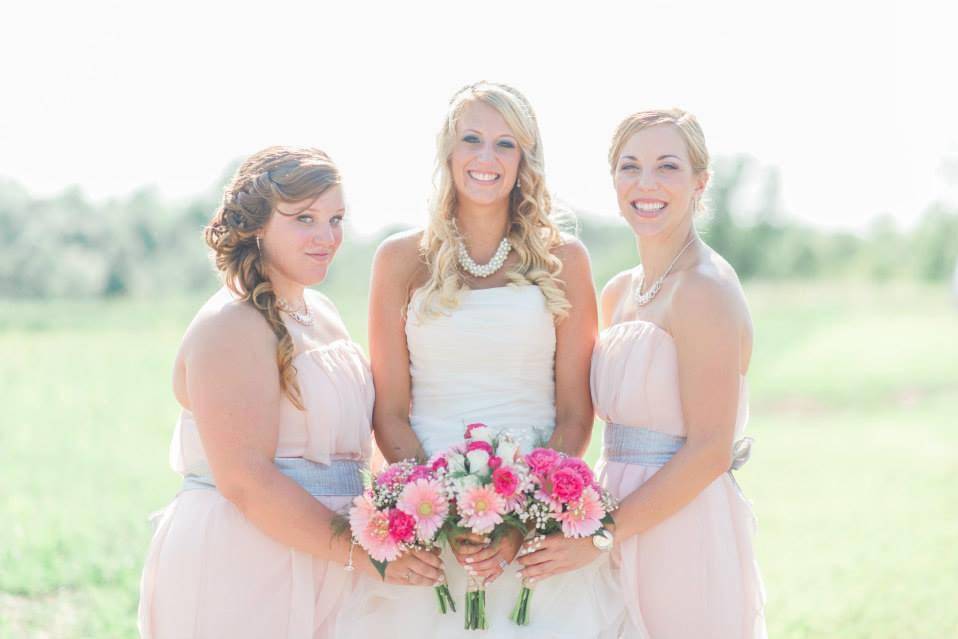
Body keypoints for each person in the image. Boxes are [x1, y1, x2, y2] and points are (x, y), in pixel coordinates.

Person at [340, 82, 620, 637]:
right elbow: (389, 411)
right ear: (448, 151)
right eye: (471, 139)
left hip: (532, 521)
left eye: (505, 144)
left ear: (525, 160)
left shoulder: (565, 259)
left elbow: (574, 415)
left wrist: (519, 518)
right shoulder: (399, 260)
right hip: (425, 515)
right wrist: (438, 509)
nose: (486, 158)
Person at [137, 147, 442, 639]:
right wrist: (360, 554)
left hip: (331, 560)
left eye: (336, 219)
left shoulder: (320, 311)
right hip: (249, 561)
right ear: (258, 225)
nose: (327, 237)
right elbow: (245, 481)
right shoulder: (231, 324)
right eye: (305, 218)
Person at [517, 109, 767, 638]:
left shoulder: (705, 289)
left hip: (681, 525)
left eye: (667, 167)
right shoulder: (617, 292)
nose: (646, 184)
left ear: (700, 182)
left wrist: (600, 537)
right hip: (612, 512)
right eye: (630, 166)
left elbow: (709, 450)